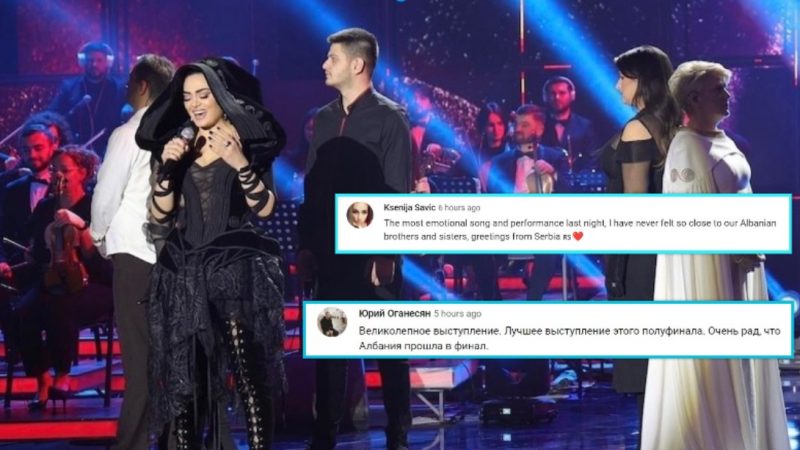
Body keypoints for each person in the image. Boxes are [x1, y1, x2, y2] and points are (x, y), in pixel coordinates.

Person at [134, 57, 286, 450]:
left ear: (221, 95)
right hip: (186, 271)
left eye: (203, 95)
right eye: (187, 97)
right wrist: (168, 170)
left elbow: (265, 208)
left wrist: (239, 163)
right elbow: (160, 215)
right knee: (186, 382)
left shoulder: (248, 139)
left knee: (248, 375)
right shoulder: (179, 144)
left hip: (234, 269)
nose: (195, 104)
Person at [641, 60, 790, 450]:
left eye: (725, 87)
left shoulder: (723, 140)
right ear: (693, 98)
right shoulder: (687, 147)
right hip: (714, 268)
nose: (726, 95)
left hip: (742, 263)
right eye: (717, 89)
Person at [298, 27, 412, 450]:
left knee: (388, 350)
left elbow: (396, 189)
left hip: (371, 253)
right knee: (330, 347)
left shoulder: (389, 117)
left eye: (333, 58)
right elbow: (312, 188)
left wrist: (385, 253)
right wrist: (306, 245)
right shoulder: (325, 119)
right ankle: (323, 437)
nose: (324, 64)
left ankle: (397, 435)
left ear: (358, 64)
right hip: (329, 252)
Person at [90, 54, 174, 450]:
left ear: (142, 86)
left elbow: (106, 193)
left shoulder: (129, 133)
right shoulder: (182, 131)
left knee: (139, 360)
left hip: (134, 252)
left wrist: (99, 238)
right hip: (172, 256)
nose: (125, 87)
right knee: (170, 357)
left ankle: (132, 444)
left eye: (129, 82)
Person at [599, 45, 681, 446]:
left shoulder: (637, 129)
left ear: (642, 81)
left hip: (640, 258)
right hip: (667, 254)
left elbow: (635, 208)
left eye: (623, 77)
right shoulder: (675, 125)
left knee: (646, 369)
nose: (617, 85)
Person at [13, 145, 112, 410]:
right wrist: (31, 256)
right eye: (55, 170)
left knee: (61, 307)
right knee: (22, 312)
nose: (58, 176)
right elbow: (35, 250)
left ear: (83, 172)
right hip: (54, 278)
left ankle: (63, 374)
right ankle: (42, 377)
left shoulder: (97, 205)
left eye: (65, 170)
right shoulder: (46, 206)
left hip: (95, 282)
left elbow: (103, 259)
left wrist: (81, 227)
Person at [483, 104, 569, 301]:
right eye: (516, 124)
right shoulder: (500, 161)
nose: (518, 129)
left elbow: (570, 193)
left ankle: (532, 303)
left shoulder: (555, 157)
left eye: (525, 125)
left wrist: (553, 173)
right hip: (507, 225)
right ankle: (493, 303)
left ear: (539, 129)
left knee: (549, 247)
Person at [48, 41, 125, 157]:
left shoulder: (119, 88)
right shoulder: (69, 87)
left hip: (110, 151)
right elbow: (52, 113)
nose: (94, 64)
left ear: (108, 63)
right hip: (77, 150)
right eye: (90, 60)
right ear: (83, 62)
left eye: (99, 60)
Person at [540, 76, 599, 174]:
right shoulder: (539, 124)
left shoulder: (585, 126)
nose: (557, 97)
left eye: (562, 93)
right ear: (545, 97)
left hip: (576, 180)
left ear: (572, 95)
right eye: (553, 93)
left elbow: (592, 159)